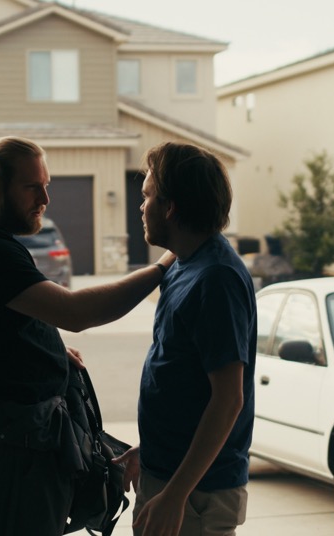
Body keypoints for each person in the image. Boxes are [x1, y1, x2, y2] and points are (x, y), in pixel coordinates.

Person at [0, 136, 174, 535]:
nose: (45, 197)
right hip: (8, 456)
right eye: (32, 187)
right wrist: (163, 266)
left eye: (47, 184)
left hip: (18, 451)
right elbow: (76, 312)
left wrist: (49, 348)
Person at [112, 142, 257, 536]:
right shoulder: (184, 265)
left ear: (171, 207)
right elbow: (185, 381)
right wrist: (152, 450)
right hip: (172, 475)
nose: (141, 207)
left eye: (147, 197)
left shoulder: (216, 279)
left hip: (196, 494)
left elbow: (228, 399)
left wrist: (176, 494)